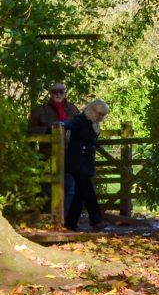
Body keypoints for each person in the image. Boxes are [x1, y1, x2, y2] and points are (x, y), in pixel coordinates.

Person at [28, 82, 81, 213]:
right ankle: (49, 217)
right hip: (48, 155)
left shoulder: (73, 110)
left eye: (61, 92)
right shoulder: (41, 111)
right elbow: (30, 131)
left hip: (70, 155)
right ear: (50, 94)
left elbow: (80, 128)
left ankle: (66, 217)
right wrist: (47, 129)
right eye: (55, 92)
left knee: (69, 187)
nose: (58, 94)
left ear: (65, 92)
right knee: (47, 187)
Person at [63, 99, 110, 232]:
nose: (101, 117)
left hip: (85, 163)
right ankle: (96, 220)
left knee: (80, 194)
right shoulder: (81, 120)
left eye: (103, 115)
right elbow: (70, 125)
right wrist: (60, 124)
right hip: (77, 162)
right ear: (93, 111)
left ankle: (71, 223)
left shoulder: (93, 124)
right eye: (99, 114)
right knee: (88, 191)